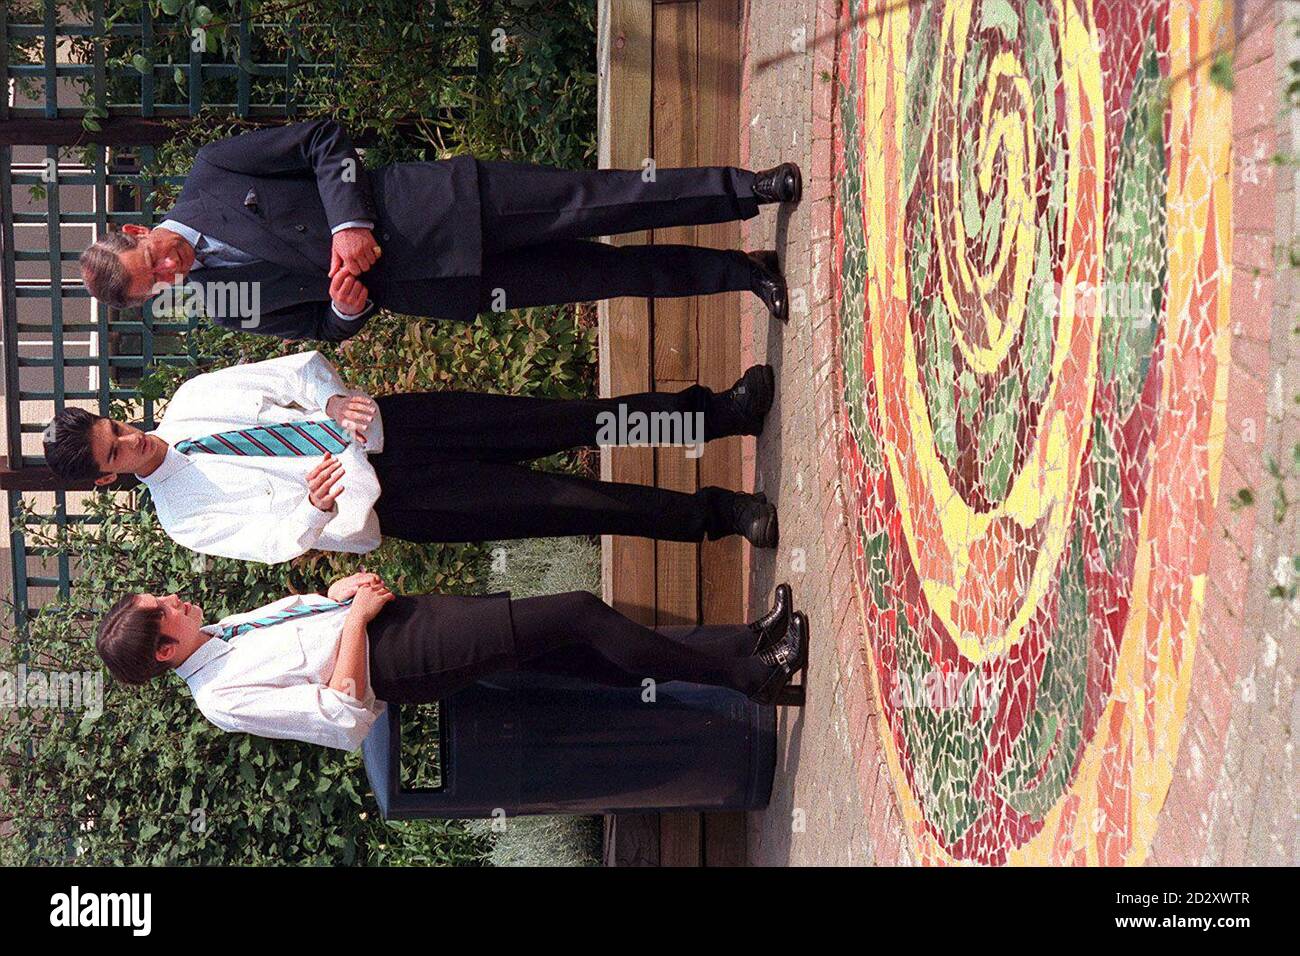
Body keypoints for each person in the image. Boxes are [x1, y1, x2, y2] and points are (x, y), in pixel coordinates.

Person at [77, 118, 802, 341]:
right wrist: (344, 308)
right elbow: (324, 330)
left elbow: (323, 142)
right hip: (445, 284)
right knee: (612, 276)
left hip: (440, 206)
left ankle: (748, 190)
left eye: (155, 261)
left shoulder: (213, 173)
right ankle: (746, 273)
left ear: (139, 227)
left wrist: (347, 223)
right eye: (158, 290)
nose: (172, 275)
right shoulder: (217, 302)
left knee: (605, 200)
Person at [42, 350, 779, 563]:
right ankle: (719, 515)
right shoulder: (184, 516)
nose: (132, 438)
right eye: (118, 451)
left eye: (117, 426)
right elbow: (265, 544)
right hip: (397, 502)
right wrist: (312, 507)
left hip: (397, 429)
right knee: (574, 504)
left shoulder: (196, 399)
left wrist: (329, 400)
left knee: (571, 420)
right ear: (109, 476)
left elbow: (288, 375)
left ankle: (722, 412)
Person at [94, 574, 809, 751]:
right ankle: (751, 677)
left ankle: (745, 644)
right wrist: (358, 622)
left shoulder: (218, 633)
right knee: (578, 614)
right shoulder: (220, 697)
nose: (181, 599)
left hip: (401, 622)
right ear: (166, 649)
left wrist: (342, 594)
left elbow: (306, 611)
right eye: (169, 607)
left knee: (577, 654)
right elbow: (341, 719)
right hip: (403, 656)